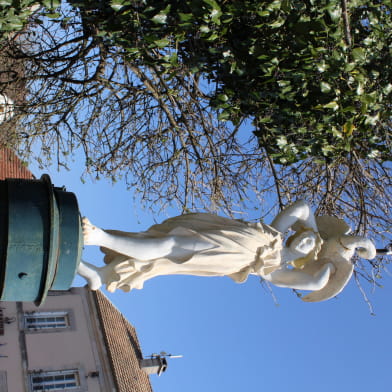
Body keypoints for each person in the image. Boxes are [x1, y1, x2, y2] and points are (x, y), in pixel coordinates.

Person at [77, 200, 376, 302]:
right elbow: (302, 208)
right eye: (310, 238)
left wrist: (349, 251)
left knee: (170, 249)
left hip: (234, 256)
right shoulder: (273, 233)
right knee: (164, 240)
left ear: (305, 259)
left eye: (310, 248)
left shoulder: (274, 267)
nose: (307, 242)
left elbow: (314, 282)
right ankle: (98, 274)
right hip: (230, 232)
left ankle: (97, 237)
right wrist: (313, 231)